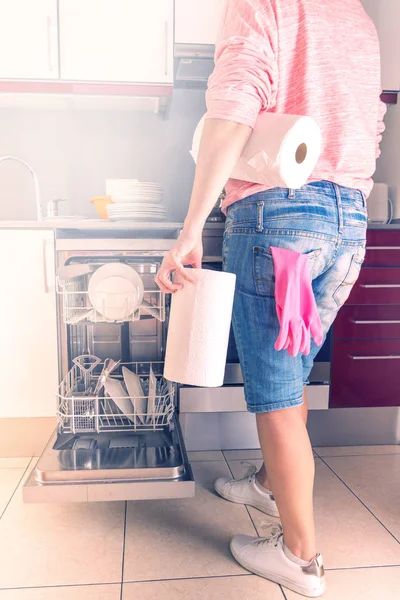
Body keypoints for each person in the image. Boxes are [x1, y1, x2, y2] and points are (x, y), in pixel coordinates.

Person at [155, 0, 386, 596]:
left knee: (278, 394)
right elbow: (371, 122)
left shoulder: (262, 5)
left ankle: (300, 558)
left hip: (278, 219)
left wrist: (188, 231)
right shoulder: (356, 16)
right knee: (295, 369)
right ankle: (265, 481)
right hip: (348, 222)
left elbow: (232, 112)